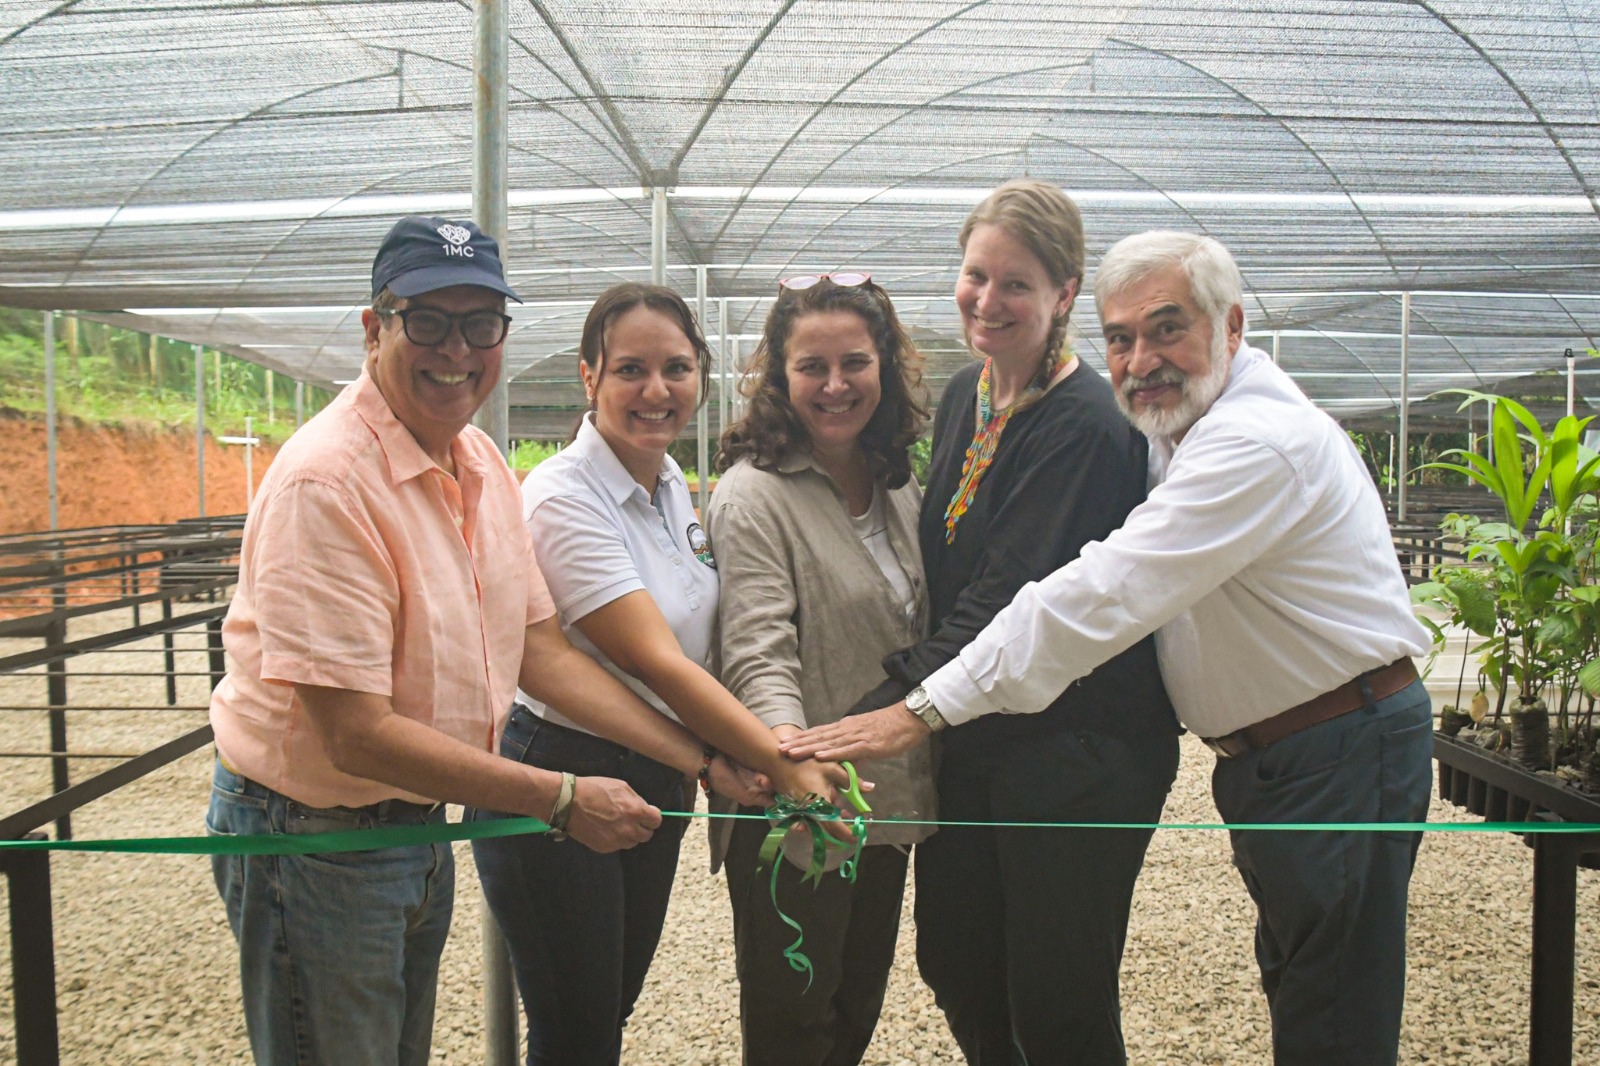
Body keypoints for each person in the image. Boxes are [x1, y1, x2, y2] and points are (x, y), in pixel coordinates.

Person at [786, 230, 1435, 1066]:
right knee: (1308, 981)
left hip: (1336, 746)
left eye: (1168, 329)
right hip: (1279, 753)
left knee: (1331, 1006)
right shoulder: (1181, 422)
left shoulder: (1251, 443)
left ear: (1231, 326)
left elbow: (1103, 591)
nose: (1141, 359)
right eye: (1121, 338)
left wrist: (920, 707)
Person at [206, 217, 738, 1066]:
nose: (457, 349)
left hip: (413, 815)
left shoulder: (481, 462)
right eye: (429, 320)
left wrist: (696, 758)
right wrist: (561, 798)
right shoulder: (329, 482)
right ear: (376, 328)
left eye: (480, 323)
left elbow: (541, 651)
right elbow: (355, 732)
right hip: (312, 835)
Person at [787, 182, 1181, 1064]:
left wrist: (874, 703)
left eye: (1017, 284)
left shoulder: (1085, 425)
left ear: (1065, 293)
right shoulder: (970, 395)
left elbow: (1003, 596)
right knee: (957, 960)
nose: (988, 301)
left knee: (1058, 999)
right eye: (977, 276)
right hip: (977, 735)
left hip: (1077, 748)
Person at [470, 282, 846, 1066]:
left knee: (607, 1010)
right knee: (575, 1031)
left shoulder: (670, 484)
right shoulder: (563, 498)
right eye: (630, 369)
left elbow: (696, 642)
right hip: (566, 772)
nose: (656, 390)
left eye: (676, 367)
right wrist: (781, 767)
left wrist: (718, 757)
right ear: (588, 377)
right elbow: (659, 662)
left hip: (651, 775)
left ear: (701, 376)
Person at [707, 273, 937, 1065]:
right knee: (793, 1027)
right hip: (797, 811)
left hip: (885, 801)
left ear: (886, 367)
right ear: (779, 376)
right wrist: (789, 759)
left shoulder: (901, 487)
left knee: (853, 1011)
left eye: (855, 363)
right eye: (812, 367)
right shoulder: (753, 498)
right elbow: (755, 648)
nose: (835, 385)